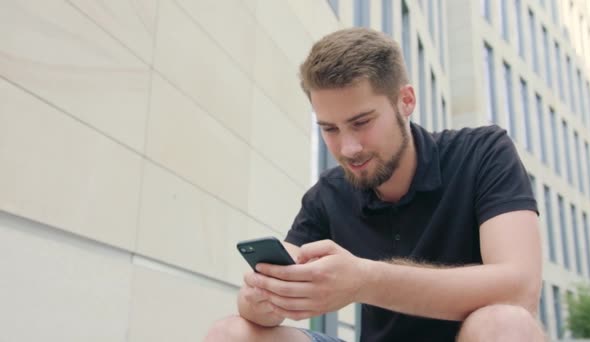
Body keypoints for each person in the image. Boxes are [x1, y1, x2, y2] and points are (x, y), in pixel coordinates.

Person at [206, 27, 544, 341]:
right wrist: (260, 297)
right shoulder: (328, 195)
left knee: (505, 324)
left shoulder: (482, 153)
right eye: (330, 129)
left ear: (405, 101)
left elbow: (520, 289)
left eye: (362, 122)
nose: (348, 148)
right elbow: (261, 299)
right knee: (230, 334)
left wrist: (364, 282)